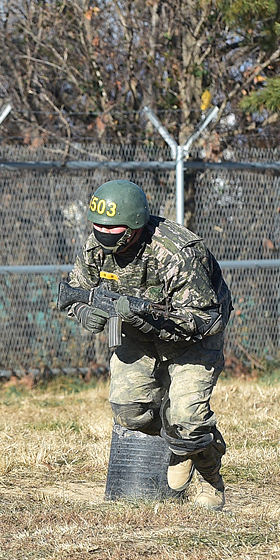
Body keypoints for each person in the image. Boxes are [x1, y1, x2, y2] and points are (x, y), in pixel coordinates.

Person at [66, 179, 232, 510]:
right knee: (129, 411)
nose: (103, 234)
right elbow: (73, 290)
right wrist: (85, 311)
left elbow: (204, 320)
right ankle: (181, 440)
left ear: (135, 225)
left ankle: (210, 479)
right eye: (98, 226)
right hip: (132, 334)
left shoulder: (176, 253)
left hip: (191, 338)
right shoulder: (95, 249)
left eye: (113, 229)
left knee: (187, 416)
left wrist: (147, 318)